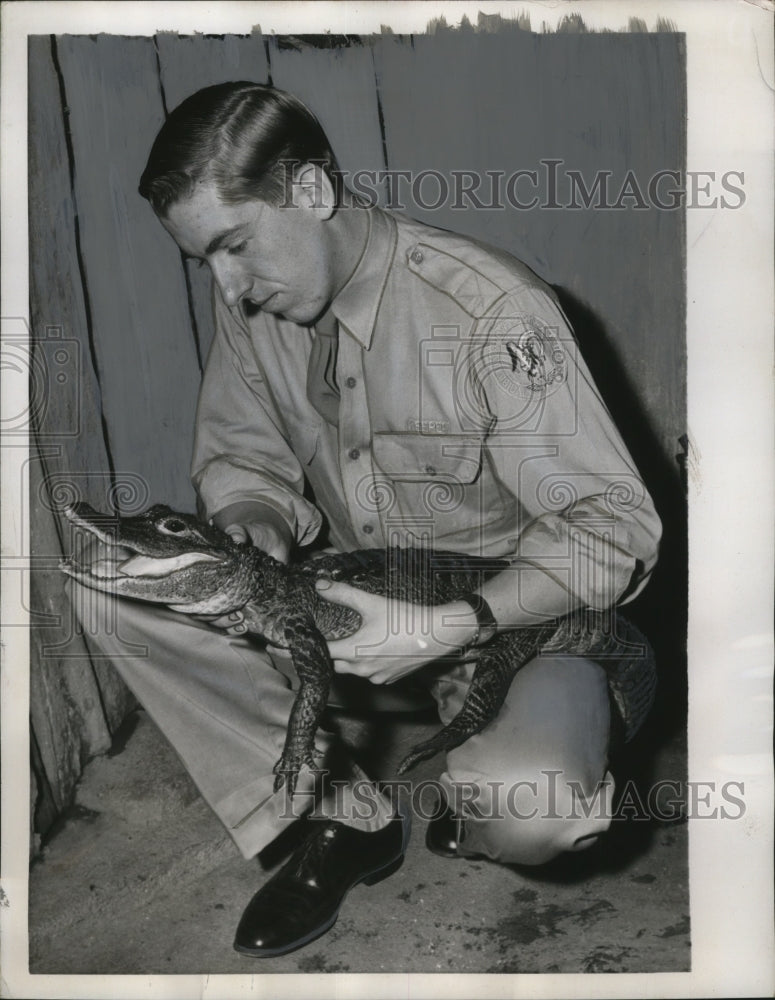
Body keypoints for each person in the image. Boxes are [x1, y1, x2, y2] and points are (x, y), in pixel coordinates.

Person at [74, 82, 661, 958]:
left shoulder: (492, 313)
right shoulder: (262, 298)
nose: (227, 290)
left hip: (512, 621)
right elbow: (242, 454)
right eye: (206, 263)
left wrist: (448, 627)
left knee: (535, 810)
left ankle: (479, 797)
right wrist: (254, 515)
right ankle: (346, 813)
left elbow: (612, 528)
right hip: (344, 605)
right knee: (111, 598)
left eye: (233, 246)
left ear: (310, 193)